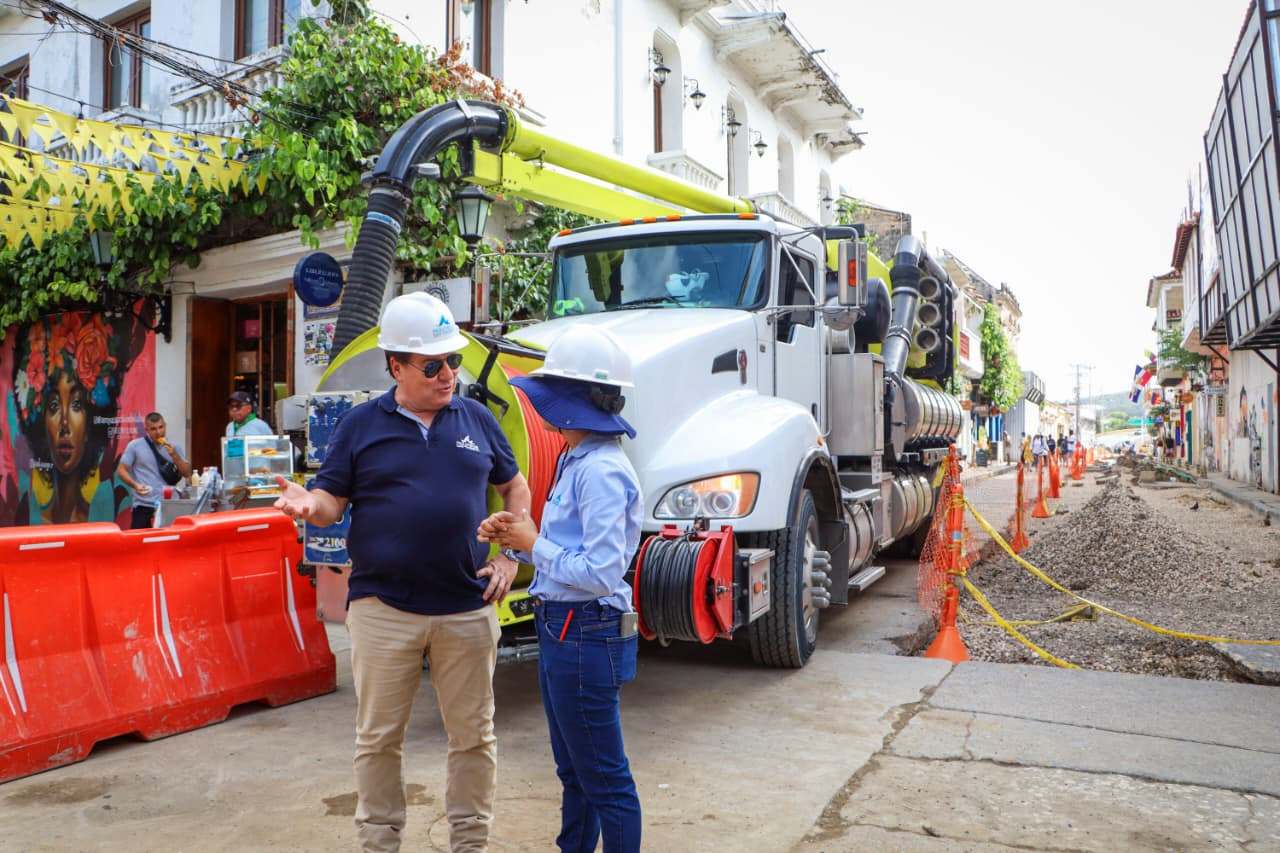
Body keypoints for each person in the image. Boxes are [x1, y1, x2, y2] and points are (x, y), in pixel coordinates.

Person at [273, 292, 532, 853]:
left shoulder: (477, 419)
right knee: (378, 739)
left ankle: (469, 843)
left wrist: (512, 552)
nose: (448, 375)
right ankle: (379, 842)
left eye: (454, 362)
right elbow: (330, 502)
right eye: (433, 365)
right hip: (382, 609)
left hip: (465, 607)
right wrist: (307, 505)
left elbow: (514, 485)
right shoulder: (362, 425)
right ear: (395, 365)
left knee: (473, 738)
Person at [477, 326, 643, 853]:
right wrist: (515, 543)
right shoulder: (576, 458)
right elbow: (563, 546)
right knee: (576, 769)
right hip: (564, 629)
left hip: (586, 632)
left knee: (605, 779)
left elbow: (601, 571)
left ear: (576, 403)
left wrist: (534, 543)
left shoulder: (602, 471)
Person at [10, 311, 148, 525]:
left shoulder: (108, 515)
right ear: (41, 420)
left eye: (76, 405)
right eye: (54, 406)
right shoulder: (27, 512)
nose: (64, 425)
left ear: (91, 418)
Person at [117, 412, 193, 529]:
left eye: (161, 427)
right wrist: (135, 485)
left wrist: (174, 456)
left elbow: (187, 473)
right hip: (143, 505)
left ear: (165, 426)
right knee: (139, 543)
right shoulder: (135, 446)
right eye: (153, 429)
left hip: (168, 504)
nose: (158, 432)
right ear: (146, 429)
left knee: (168, 543)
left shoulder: (174, 446)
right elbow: (121, 470)